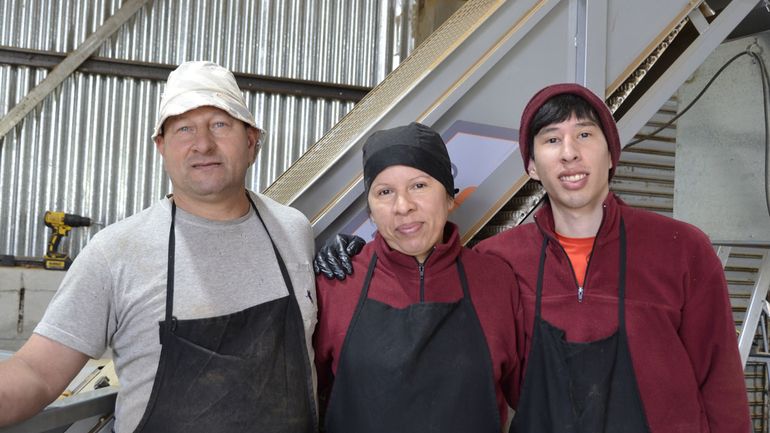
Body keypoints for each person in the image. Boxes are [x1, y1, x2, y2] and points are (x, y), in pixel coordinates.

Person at [315, 84, 751, 432]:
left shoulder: (682, 248)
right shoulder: (502, 261)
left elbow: (722, 383)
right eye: (551, 139)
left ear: (611, 152)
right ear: (530, 165)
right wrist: (339, 253)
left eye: (584, 134)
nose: (569, 153)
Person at [0, 61, 318, 433]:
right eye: (184, 128)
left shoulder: (294, 231)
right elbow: (36, 372)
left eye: (220, 124)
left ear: (251, 142)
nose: (203, 144)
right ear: (162, 146)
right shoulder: (116, 252)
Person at [313, 122, 523, 433]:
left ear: (450, 198)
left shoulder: (496, 281)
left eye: (419, 186)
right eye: (385, 192)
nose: (403, 206)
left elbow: (531, 395)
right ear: (370, 211)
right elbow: (304, 395)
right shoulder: (337, 284)